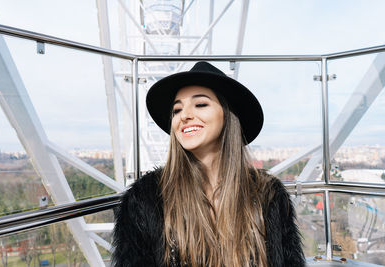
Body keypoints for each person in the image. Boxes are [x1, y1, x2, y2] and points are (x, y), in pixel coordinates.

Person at [112, 62, 305, 267]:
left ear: (228, 115)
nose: (184, 116)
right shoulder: (146, 200)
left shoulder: (268, 195)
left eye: (201, 104)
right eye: (177, 110)